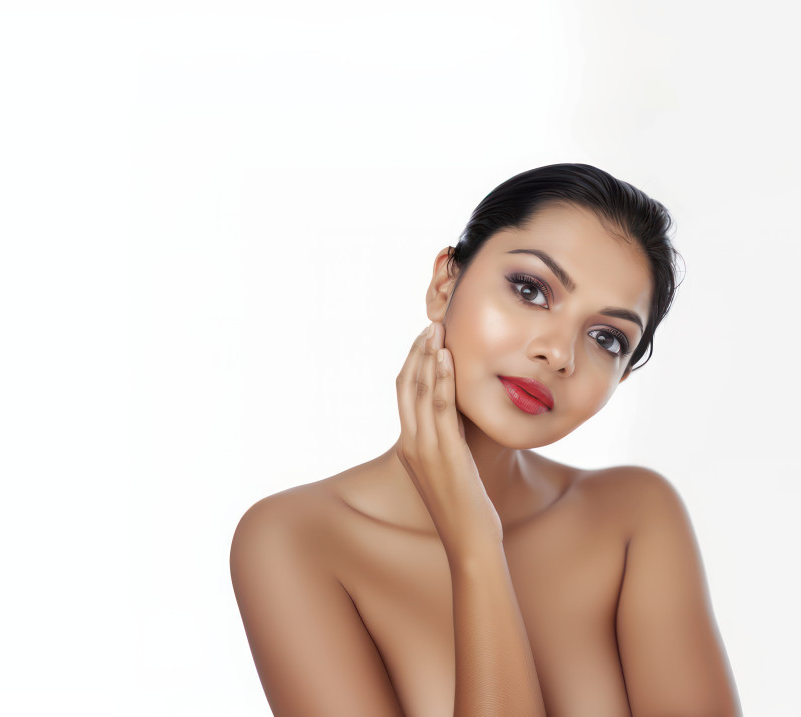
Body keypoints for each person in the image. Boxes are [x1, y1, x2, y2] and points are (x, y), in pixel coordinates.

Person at [229, 163, 742, 717]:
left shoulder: (634, 517)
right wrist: (474, 547)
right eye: (531, 290)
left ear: (624, 376)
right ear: (445, 282)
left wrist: (476, 541)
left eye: (606, 338)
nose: (559, 353)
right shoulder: (293, 539)